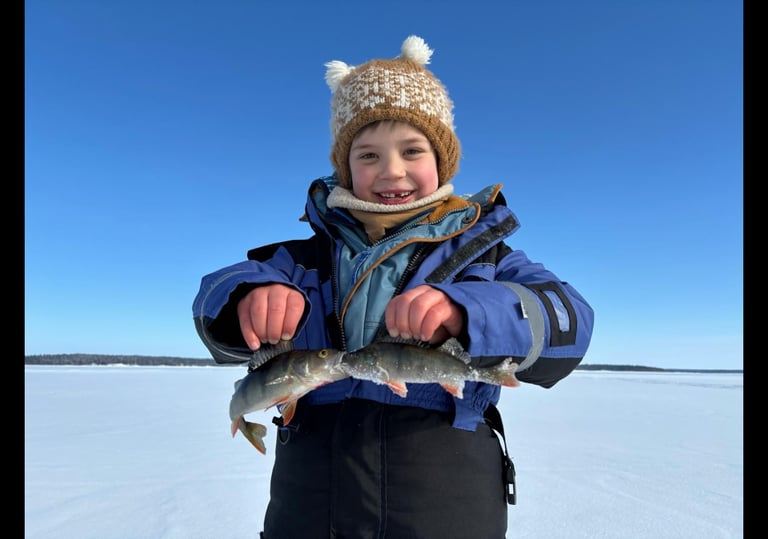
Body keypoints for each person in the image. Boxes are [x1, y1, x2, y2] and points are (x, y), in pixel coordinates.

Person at [193, 35, 594, 539]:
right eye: (368, 156)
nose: (392, 171)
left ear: (442, 161)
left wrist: (472, 311)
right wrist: (247, 298)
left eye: (411, 150)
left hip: (448, 495)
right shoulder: (298, 261)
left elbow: (568, 320)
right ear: (345, 168)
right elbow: (214, 294)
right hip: (310, 498)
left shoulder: (486, 255)